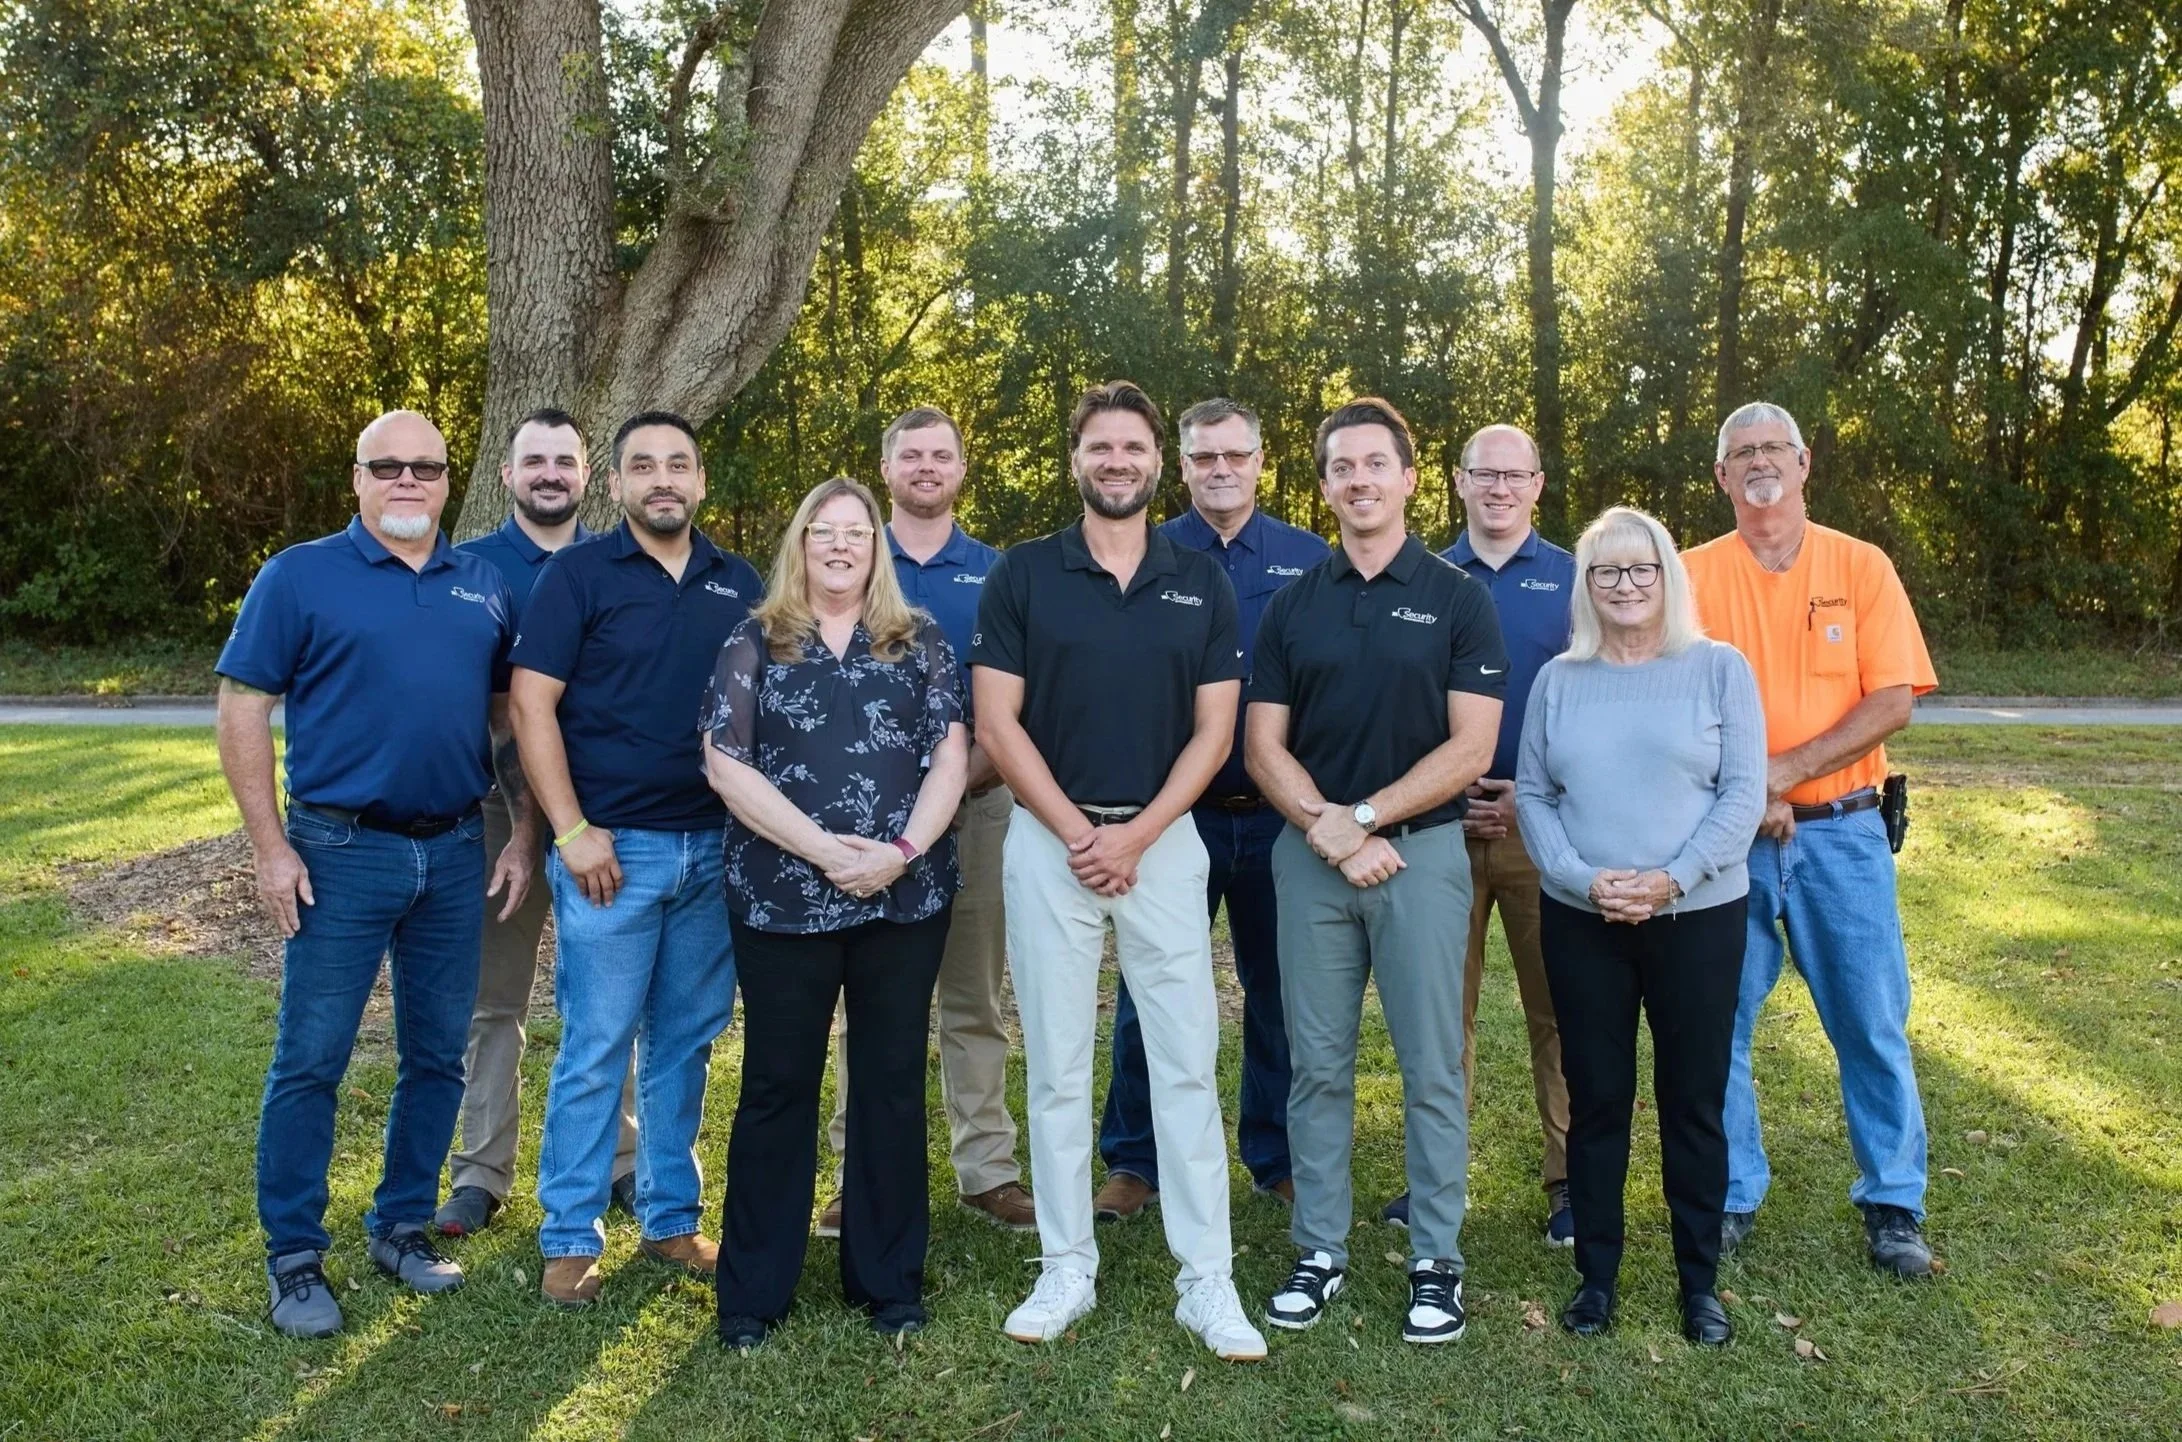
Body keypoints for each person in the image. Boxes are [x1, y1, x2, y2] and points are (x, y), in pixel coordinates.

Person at [971, 380, 1266, 1362]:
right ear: (1077, 459)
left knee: (1184, 1059)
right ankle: (1066, 1267)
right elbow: (997, 722)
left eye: (1133, 446)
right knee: (1055, 1063)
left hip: (1164, 842)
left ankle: (1208, 1282)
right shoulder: (1024, 573)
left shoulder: (1199, 579)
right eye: (1099, 446)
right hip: (1047, 841)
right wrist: (1074, 829)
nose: (1116, 460)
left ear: (1155, 462)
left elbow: (1215, 727)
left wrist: (1136, 832)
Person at [216, 409, 517, 1338]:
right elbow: (241, 709)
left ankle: (400, 1226)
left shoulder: (484, 584)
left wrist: (522, 832)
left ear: (446, 481)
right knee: (312, 1059)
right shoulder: (300, 576)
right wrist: (271, 848)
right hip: (339, 853)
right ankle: (295, 1257)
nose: (408, 482)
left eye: (426, 467)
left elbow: (513, 717)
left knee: (436, 1054)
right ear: (357, 478)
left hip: (456, 848)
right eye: (387, 467)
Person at [1246, 398, 1506, 1345]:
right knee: (1316, 1067)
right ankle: (1319, 1248)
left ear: (1407, 478)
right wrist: (1327, 826)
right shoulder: (1292, 604)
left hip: (1423, 855)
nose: (1358, 481)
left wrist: (1364, 818)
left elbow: (1471, 747)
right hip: (1311, 858)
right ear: (1323, 487)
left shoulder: (1455, 597)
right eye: (1340, 468)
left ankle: (1437, 1260)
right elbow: (1261, 743)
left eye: (1374, 465)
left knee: (1433, 1066)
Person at [703, 477, 971, 1347]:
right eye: (825, 530)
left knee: (891, 1083)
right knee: (779, 1084)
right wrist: (827, 854)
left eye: (857, 532)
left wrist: (894, 856)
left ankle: (886, 1280)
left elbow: (951, 754)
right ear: (801, 542)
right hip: (783, 898)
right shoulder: (755, 639)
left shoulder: (919, 638)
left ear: (876, 546)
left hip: (905, 898)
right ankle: (753, 1295)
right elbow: (724, 763)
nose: (842, 544)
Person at [508, 410, 762, 1308]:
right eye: (644, 465)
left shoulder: (741, 583)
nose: (663, 479)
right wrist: (572, 831)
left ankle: (669, 1220)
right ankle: (570, 1233)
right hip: (614, 855)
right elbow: (533, 707)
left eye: (679, 464)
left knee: (685, 1042)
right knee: (596, 1045)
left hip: (716, 850)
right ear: (617, 485)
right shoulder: (576, 576)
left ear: (700, 482)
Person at [1683, 401, 1940, 1278]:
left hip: (1843, 836)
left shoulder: (1860, 567)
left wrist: (1781, 775)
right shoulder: (1687, 576)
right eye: (1740, 453)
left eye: (1773, 450)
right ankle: (1730, 1192)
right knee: (1718, 1023)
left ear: (1803, 465)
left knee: (1870, 1023)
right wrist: (1740, 791)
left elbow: (1892, 698)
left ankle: (1894, 1202)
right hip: (1725, 841)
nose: (1759, 464)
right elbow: (1670, 704)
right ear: (1721, 477)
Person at [1515, 505, 1765, 1346]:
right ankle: (1597, 1279)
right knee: (1598, 1101)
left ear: (1667, 577)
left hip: (1697, 917)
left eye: (1641, 569)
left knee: (1692, 1101)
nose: (1625, 585)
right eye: (1606, 572)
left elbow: (1742, 794)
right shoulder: (1559, 680)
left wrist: (1671, 879)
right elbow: (1536, 796)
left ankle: (1700, 1284)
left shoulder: (1718, 668)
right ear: (1585, 586)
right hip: (1583, 921)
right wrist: (1583, 880)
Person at [1096, 398, 1327, 1221]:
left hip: (1276, 817)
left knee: (1281, 991)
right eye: (1203, 458)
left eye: (1235, 455)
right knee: (1149, 991)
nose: (1220, 469)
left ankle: (1277, 1154)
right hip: (1172, 816)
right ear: (1180, 466)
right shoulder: (1146, 557)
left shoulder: (1310, 560)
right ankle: (1134, 1161)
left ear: (1262, 460)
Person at [815, 406, 1034, 1237]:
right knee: (864, 1004)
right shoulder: (855, 563)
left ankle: (988, 1172)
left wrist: (956, 785)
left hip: (977, 808)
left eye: (942, 455)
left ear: (962, 468)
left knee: (973, 998)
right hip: (860, 829)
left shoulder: (998, 572)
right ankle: (853, 1175)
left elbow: (1014, 701)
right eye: (912, 455)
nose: (927, 467)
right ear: (886, 467)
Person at [434, 409, 640, 1239]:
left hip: (610, 817)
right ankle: (482, 1173)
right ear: (509, 474)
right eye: (534, 461)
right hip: (499, 812)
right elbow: (492, 710)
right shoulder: (472, 569)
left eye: (565, 460)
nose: (550, 473)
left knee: (610, 999)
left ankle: (622, 1164)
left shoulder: (617, 561)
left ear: (587, 475)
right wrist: (529, 827)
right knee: (495, 999)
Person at [1381, 423, 1576, 1242]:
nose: (1499, 488)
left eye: (1515, 475)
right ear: (1455, 484)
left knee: (1558, 1011)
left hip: (1546, 830)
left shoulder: (1578, 580)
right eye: (1483, 475)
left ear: (1537, 485)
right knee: (1436, 1015)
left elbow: (1597, 705)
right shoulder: (1418, 580)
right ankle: (1435, 1180)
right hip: (1438, 830)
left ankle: (1573, 1180)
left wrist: (1528, 795)